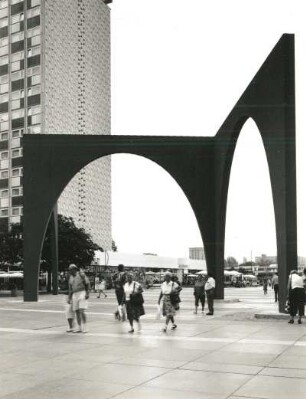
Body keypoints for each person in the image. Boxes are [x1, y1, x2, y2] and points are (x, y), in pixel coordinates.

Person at [68, 264, 90, 333]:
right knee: (76, 311)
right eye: (69, 270)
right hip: (75, 294)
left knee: (81, 311)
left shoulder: (81, 275)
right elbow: (71, 288)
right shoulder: (71, 277)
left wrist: (87, 293)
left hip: (82, 292)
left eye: (71, 270)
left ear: (74, 269)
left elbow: (88, 284)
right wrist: (69, 298)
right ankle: (79, 327)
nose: (70, 271)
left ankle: (85, 327)